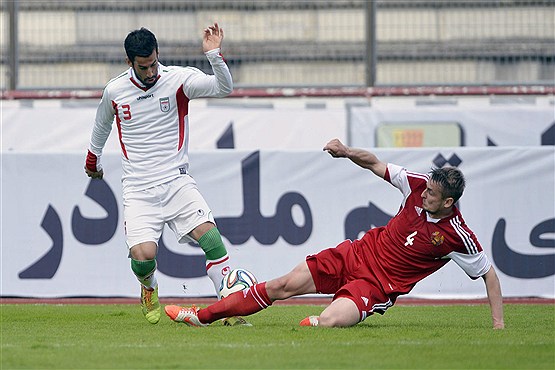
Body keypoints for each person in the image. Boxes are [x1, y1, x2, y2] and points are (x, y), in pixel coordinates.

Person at [165, 138, 505, 329]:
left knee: (324, 322)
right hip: (355, 254)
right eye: (426, 189)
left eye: (432, 194)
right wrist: (346, 152)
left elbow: (489, 274)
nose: (425, 194)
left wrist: (498, 324)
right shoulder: (416, 185)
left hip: (376, 285)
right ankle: (202, 316)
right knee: (280, 285)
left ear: (448, 201)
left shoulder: (458, 235)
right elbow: (375, 164)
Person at [84, 23, 244, 325]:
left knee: (211, 237)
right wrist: (93, 157)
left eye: (154, 63)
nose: (151, 71)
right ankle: (149, 287)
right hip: (138, 189)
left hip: (176, 181)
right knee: (143, 257)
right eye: (144, 67)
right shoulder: (115, 91)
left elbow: (224, 88)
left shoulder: (178, 81)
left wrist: (214, 56)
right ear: (129, 62)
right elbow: (102, 123)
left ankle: (229, 309)